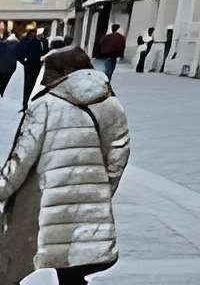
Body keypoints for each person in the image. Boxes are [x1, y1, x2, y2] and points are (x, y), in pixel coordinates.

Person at [0, 43, 130, 285]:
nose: (44, 79)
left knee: (9, 266)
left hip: (44, 206)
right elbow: (118, 155)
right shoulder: (110, 102)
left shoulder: (45, 105)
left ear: (64, 73)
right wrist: (100, 191)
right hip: (89, 207)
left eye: (48, 72)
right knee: (74, 268)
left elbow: (20, 161)